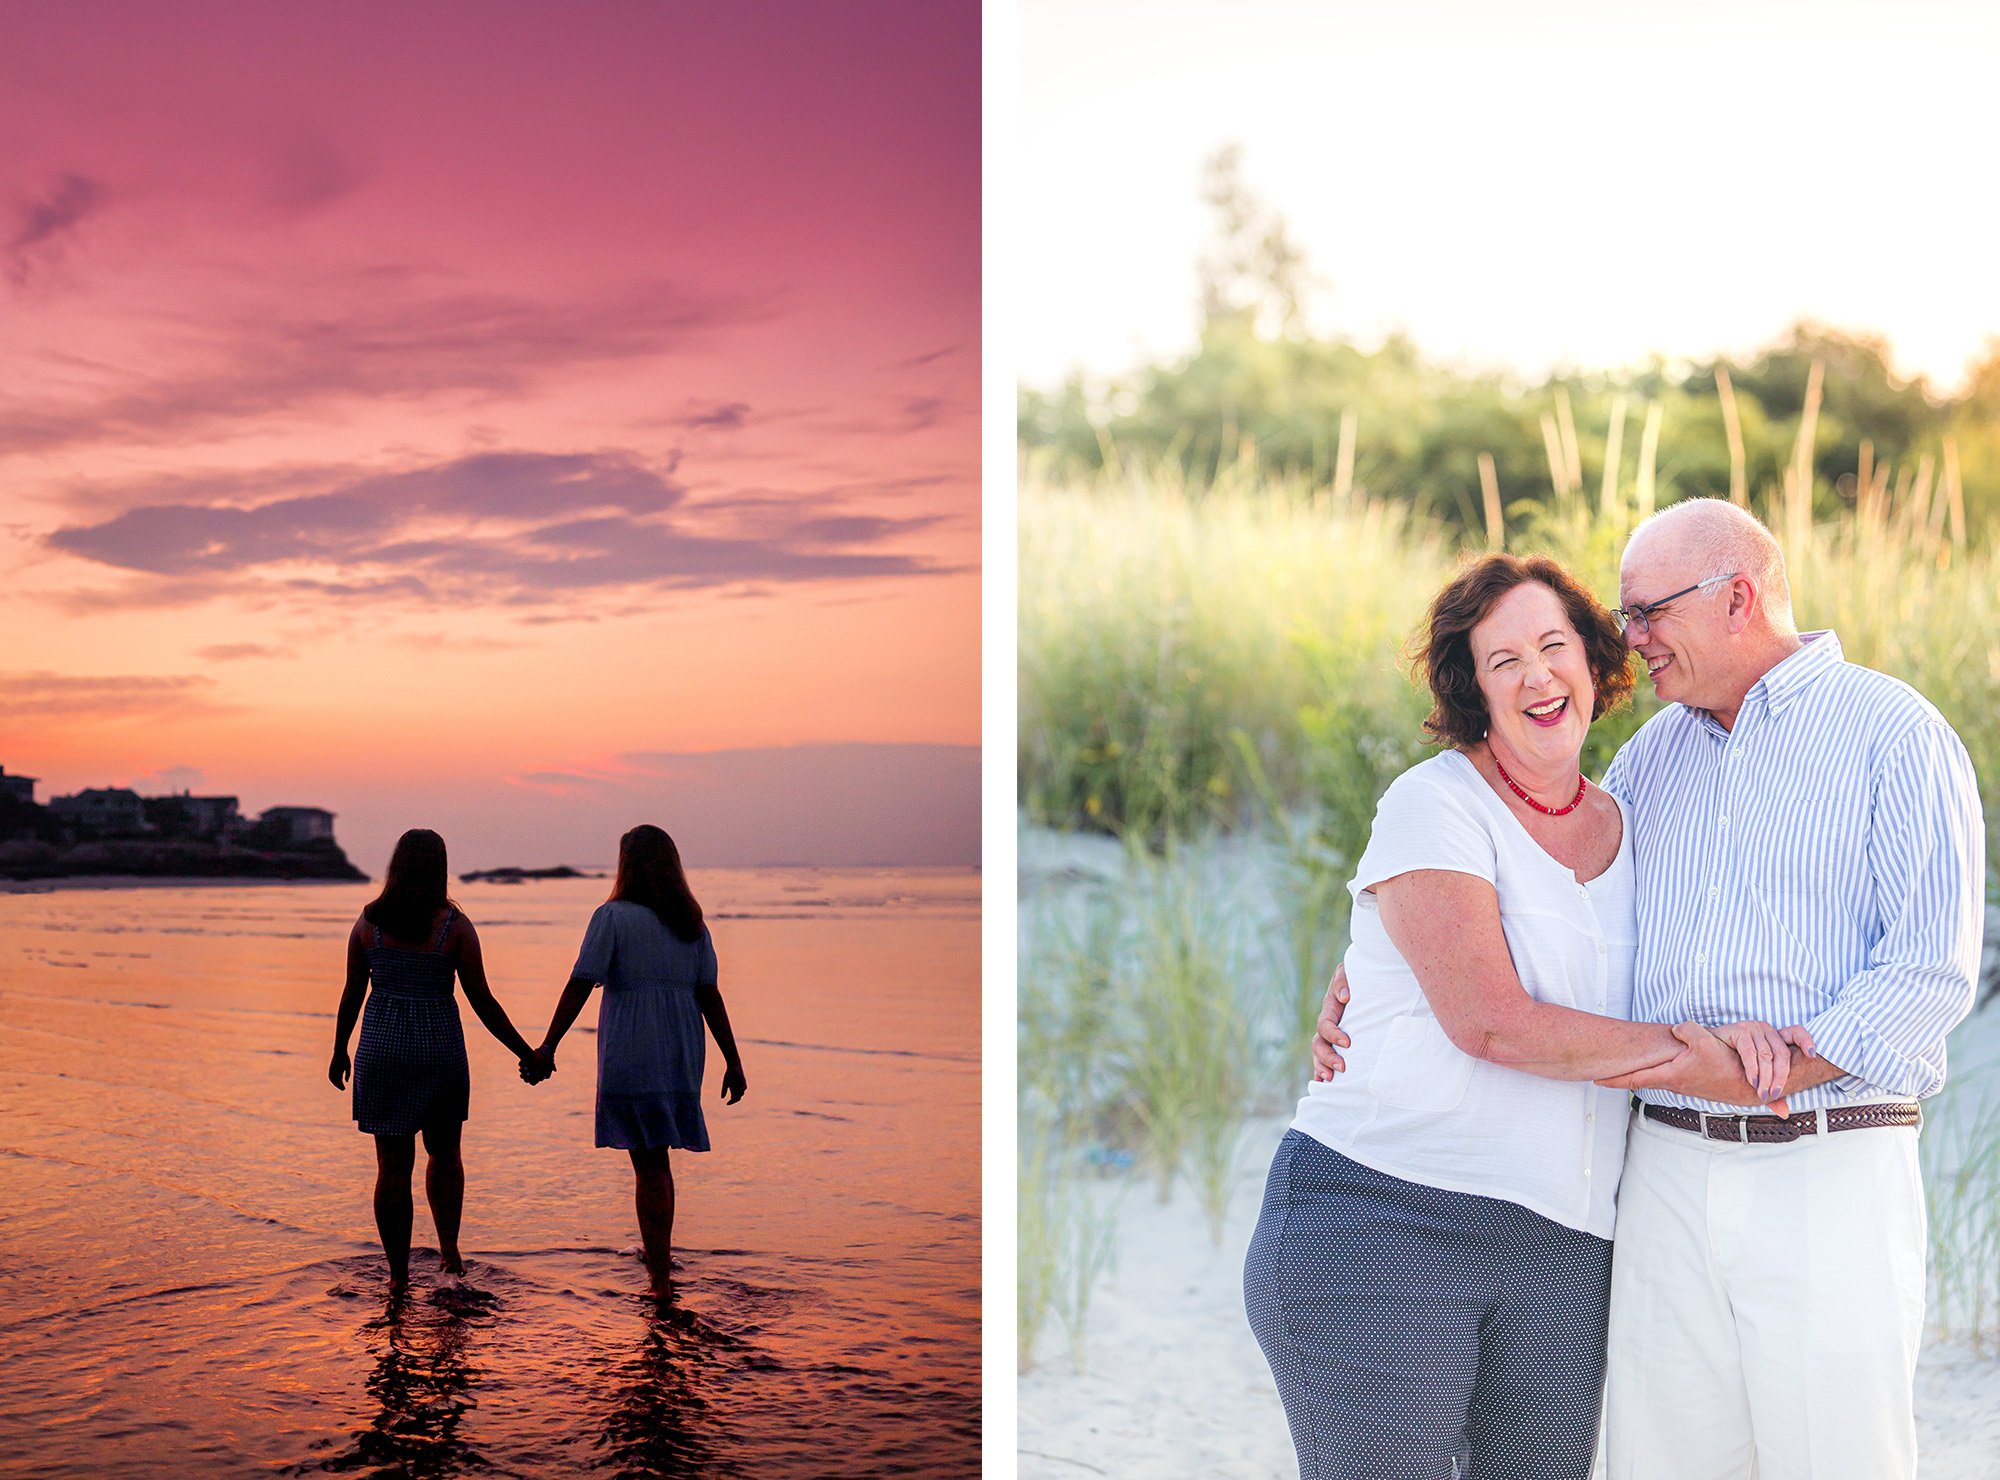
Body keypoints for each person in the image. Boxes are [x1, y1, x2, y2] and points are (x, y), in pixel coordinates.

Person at [1316, 499, 1985, 1480]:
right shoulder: (1648, 759)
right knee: (1663, 1459)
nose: (1627, 640)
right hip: (1660, 1170)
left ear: (1735, 597)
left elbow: (1929, 966)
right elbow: (1543, 899)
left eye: (1645, 611)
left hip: (1823, 1163)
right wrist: (1372, 963)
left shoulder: (1892, 732)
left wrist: (1782, 1065)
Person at [1244, 552, 1794, 1480]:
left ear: (1592, 659)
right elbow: (1490, 1023)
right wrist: (1696, 1057)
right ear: (1475, 690)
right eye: (1504, 662)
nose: (1537, 675)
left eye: (1554, 645)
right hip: (1384, 1219)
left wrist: (1741, 1029)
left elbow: (1694, 957)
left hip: (1565, 1247)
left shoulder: (1634, 819)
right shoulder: (1433, 805)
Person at [529, 824, 746, 1298]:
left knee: (647, 1167)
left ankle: (660, 1278)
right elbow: (709, 995)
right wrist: (733, 1060)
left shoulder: (612, 917)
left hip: (632, 1046)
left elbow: (581, 982)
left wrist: (548, 1045)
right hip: (681, 1050)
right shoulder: (691, 922)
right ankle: (660, 1259)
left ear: (627, 864)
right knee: (659, 1163)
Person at [329, 828, 548, 1292]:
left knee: (391, 1166)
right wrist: (526, 1052)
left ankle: (398, 1276)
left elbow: (353, 992)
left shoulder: (368, 923)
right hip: (438, 1050)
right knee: (445, 1155)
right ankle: (450, 1257)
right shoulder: (453, 926)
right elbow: (482, 1001)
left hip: (382, 1050)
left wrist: (339, 1049)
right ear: (439, 869)